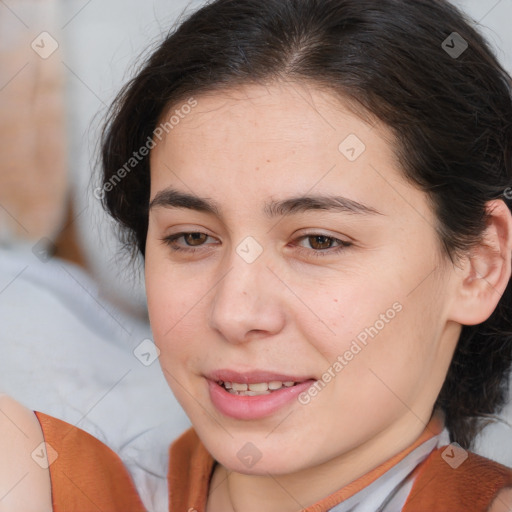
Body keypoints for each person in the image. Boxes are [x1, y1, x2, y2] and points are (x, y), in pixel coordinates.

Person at [2, 0, 512, 510]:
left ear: (478, 266)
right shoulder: (47, 480)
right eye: (192, 238)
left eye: (319, 241)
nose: (234, 314)